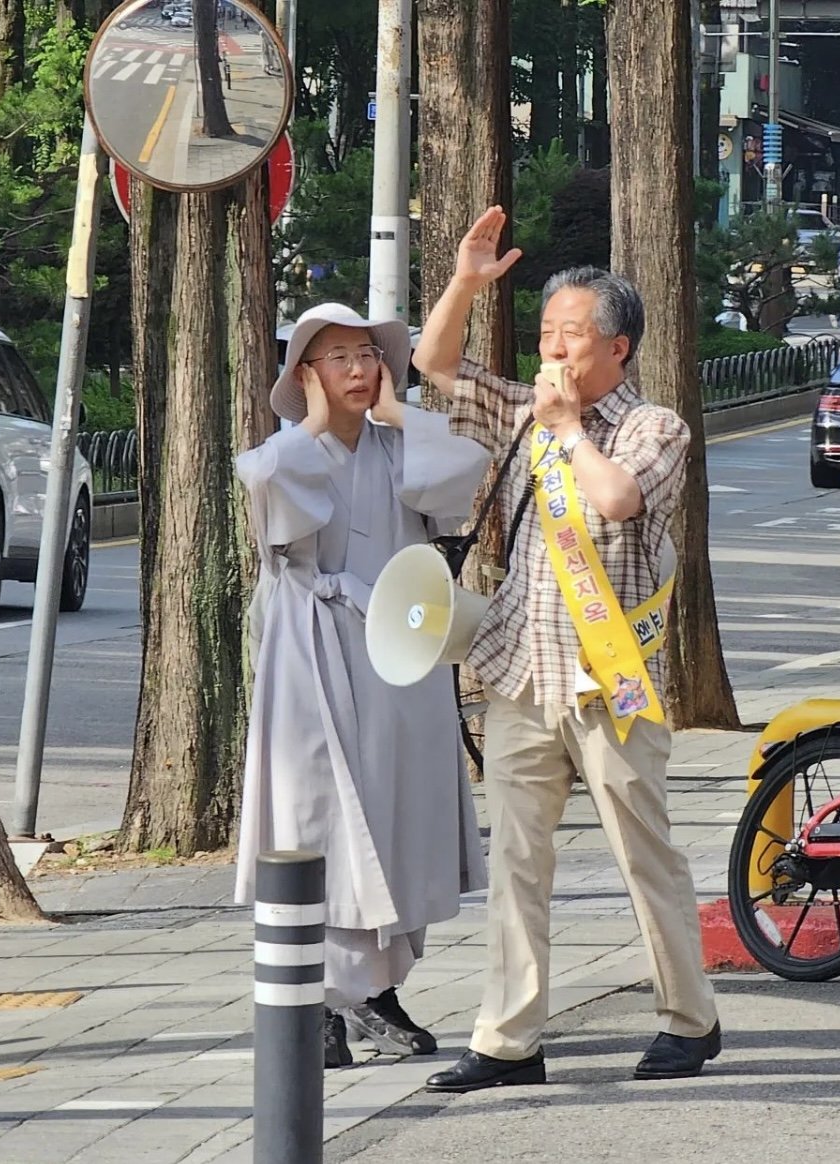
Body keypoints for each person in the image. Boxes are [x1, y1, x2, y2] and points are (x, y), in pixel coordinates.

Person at [413, 207, 721, 1093]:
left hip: (611, 683)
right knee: (517, 860)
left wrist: (569, 432)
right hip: (519, 672)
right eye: (547, 335)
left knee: (642, 853)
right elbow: (435, 366)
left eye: (572, 337)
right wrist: (468, 283)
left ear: (617, 348)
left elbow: (621, 501)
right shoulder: (520, 411)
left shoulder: (652, 428)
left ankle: (688, 1019)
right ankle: (510, 1040)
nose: (553, 352)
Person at [235, 302, 490, 1069]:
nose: (356, 369)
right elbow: (264, 483)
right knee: (325, 817)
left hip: (399, 652)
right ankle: (323, 998)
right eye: (335, 358)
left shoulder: (395, 447)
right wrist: (312, 425)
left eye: (366, 355)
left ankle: (374, 991)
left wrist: (398, 412)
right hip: (315, 654)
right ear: (305, 374)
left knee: (397, 809)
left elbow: (465, 470)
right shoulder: (290, 450)